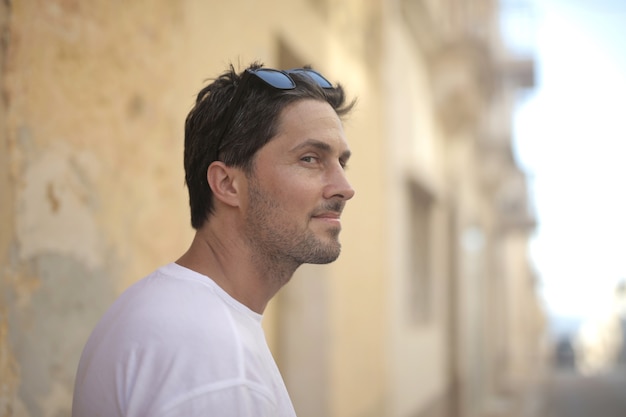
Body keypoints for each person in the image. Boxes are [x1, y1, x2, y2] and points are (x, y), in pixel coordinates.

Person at [71, 62, 356, 417]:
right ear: (227, 184)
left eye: (342, 162)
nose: (345, 188)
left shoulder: (161, 309)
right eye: (311, 158)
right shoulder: (216, 364)